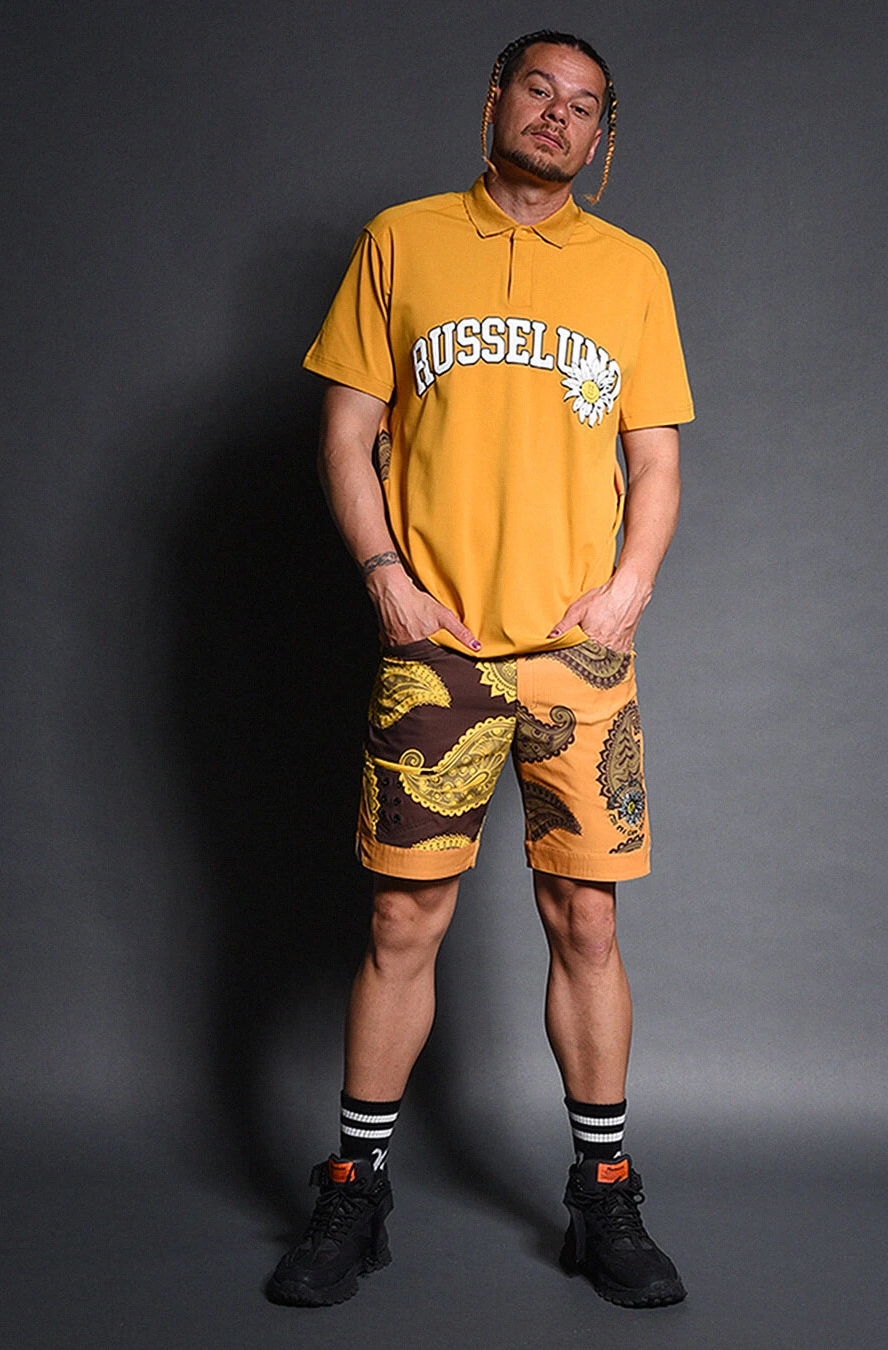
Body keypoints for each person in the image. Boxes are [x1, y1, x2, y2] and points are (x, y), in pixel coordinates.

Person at [267, 30, 694, 1310]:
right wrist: (383, 576)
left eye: (584, 106)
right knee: (403, 920)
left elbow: (657, 458)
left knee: (588, 920)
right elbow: (347, 425)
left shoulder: (630, 268)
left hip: (578, 657)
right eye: (538, 91)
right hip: (436, 651)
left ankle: (603, 1199)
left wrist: (629, 590)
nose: (558, 116)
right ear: (495, 100)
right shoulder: (402, 241)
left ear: (603, 138)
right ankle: (356, 1190)